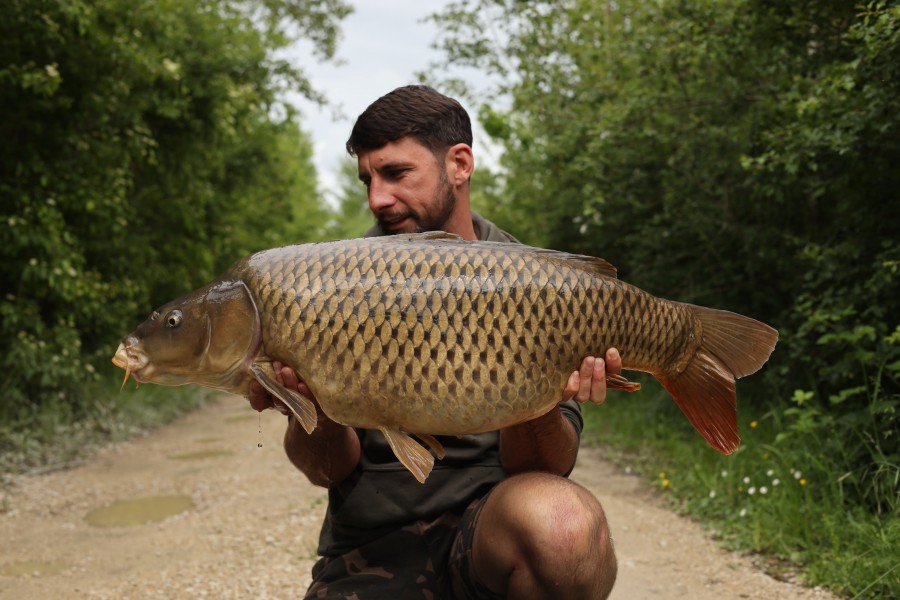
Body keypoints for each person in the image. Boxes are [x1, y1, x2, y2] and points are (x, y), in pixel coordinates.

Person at [248, 85, 620, 599]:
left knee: (563, 528)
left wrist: (538, 392)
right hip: (370, 545)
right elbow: (327, 470)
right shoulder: (330, 286)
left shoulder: (541, 284)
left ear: (459, 164)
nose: (378, 197)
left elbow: (544, 470)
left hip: (491, 531)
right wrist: (309, 407)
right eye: (368, 179)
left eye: (396, 174)